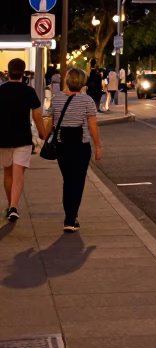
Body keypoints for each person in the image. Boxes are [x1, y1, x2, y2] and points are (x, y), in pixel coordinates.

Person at [47, 66, 102, 231]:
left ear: (67, 81)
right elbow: (92, 125)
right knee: (77, 182)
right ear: (83, 83)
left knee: (68, 180)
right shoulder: (87, 101)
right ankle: (71, 218)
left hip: (62, 146)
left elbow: (49, 123)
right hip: (81, 146)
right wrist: (98, 146)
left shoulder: (56, 99)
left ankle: (70, 216)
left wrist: (45, 136)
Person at [0, 58, 47, 221]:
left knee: (7, 172)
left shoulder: (1, 90)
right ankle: (14, 206)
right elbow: (37, 114)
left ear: (8, 71)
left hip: (3, 138)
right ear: (23, 71)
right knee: (18, 173)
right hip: (23, 138)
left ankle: (10, 205)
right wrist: (42, 133)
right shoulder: (29, 92)